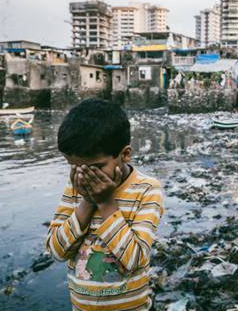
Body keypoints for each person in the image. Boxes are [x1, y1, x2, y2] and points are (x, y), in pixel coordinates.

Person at [46, 98, 164, 310]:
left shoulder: (146, 190)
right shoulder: (76, 188)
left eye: (95, 167)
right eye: (74, 166)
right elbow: (56, 251)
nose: (84, 175)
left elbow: (134, 259)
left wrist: (106, 202)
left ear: (125, 154)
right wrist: (87, 202)